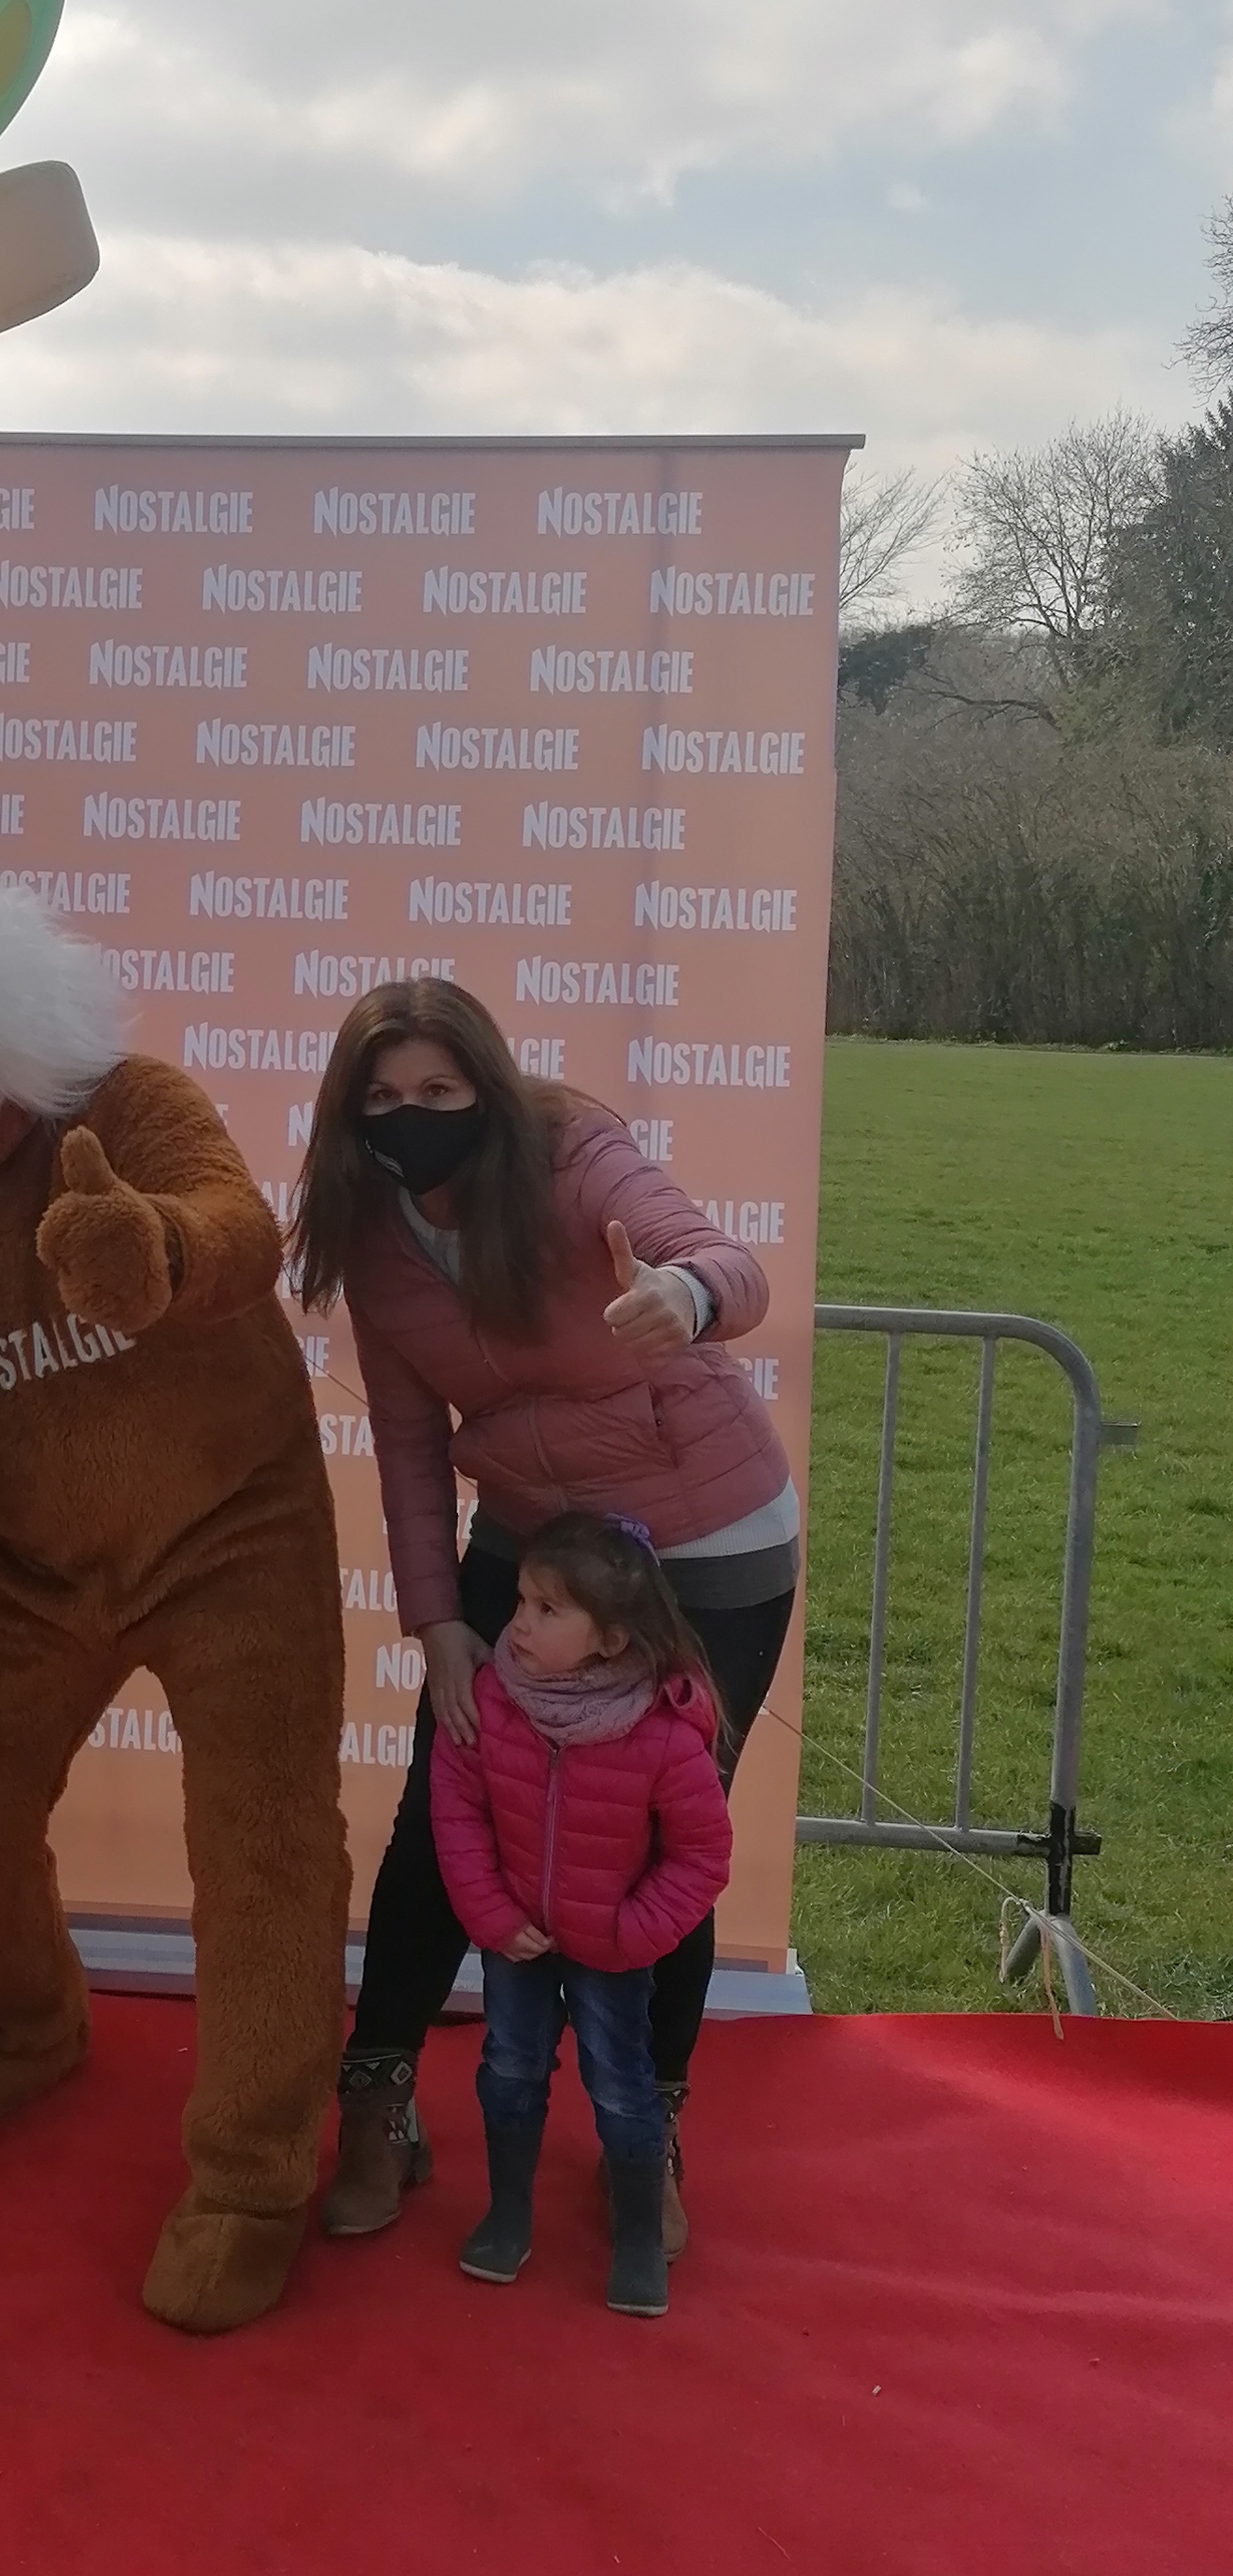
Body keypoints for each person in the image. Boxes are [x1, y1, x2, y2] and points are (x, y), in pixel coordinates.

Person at [288, 976, 798, 2251]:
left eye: (439, 1089)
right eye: (383, 1096)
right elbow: (410, 1442)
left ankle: (648, 2125)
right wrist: (437, 1624)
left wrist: (686, 1298)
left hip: (705, 1539)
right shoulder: (371, 1234)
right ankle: (377, 2098)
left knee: (663, 1832)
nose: (411, 1115)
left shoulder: (574, 1151)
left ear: (489, 1088)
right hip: (533, 1544)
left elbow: (728, 1265)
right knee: (438, 1817)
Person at [431, 1512, 733, 2318]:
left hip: (612, 1954)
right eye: (521, 1602)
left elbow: (703, 1854)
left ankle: (637, 2237)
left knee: (622, 2089)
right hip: (514, 1943)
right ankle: (507, 2217)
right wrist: (492, 1915)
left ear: (610, 1640)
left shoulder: (663, 1734)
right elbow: (456, 1809)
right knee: (509, 2070)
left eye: (547, 1610)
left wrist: (630, 1934)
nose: (519, 1624)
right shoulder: (492, 1697)